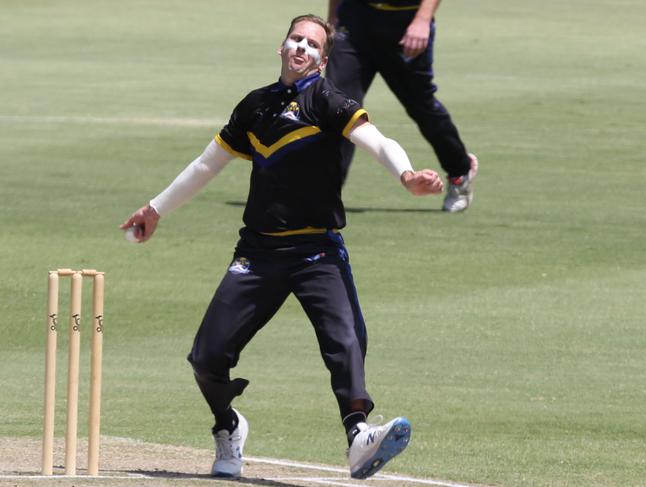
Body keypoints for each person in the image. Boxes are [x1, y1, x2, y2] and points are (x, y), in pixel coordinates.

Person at [121, 14, 444, 480]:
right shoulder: (255, 107)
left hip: (317, 252)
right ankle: (228, 427)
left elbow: (377, 141)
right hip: (259, 253)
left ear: (323, 59)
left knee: (346, 339)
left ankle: (358, 436)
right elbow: (206, 165)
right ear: (281, 46)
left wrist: (407, 175)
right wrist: (155, 209)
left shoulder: (329, 101)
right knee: (207, 358)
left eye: (313, 44)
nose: (302, 48)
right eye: (296, 39)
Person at [326, 0, 478, 212]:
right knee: (338, 107)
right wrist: (333, 17)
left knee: (421, 106)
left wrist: (423, 19)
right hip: (355, 19)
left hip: (406, 22)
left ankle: (460, 172)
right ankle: (326, 194)